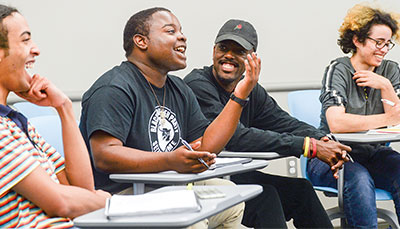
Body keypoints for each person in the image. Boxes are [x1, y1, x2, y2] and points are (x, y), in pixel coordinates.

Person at [79, 7, 260, 228]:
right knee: (193, 220)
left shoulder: (178, 88)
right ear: (141, 41)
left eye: (181, 31)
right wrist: (170, 160)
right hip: (120, 197)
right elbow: (105, 155)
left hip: (165, 186)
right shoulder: (114, 88)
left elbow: (208, 145)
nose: (182, 36)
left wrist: (240, 95)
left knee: (231, 197)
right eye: (170, 31)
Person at [184, 19, 352, 228]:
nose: (228, 55)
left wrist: (322, 139)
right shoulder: (197, 85)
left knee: (301, 190)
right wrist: (309, 146)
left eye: (239, 51)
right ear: (213, 51)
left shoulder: (251, 89)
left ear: (252, 59)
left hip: (234, 175)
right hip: (204, 179)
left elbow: (283, 122)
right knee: (266, 196)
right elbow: (235, 138)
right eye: (223, 48)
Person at [0, 4, 110, 228]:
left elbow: (82, 190)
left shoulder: (17, 122)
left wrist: (64, 108)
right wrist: (110, 202)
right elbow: (60, 202)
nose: (36, 49)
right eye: (25, 40)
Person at [307, 3, 400, 228]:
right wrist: (387, 119)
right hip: (331, 155)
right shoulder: (338, 70)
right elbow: (337, 123)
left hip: (375, 153)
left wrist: (386, 87)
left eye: (388, 43)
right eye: (378, 42)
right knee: (358, 178)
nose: (384, 49)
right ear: (357, 40)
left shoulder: (390, 71)